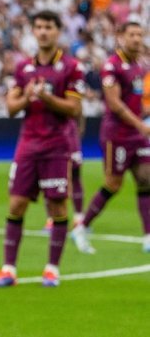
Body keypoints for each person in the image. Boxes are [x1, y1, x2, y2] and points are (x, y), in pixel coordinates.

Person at [0, 11, 84, 288]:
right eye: (39, 27)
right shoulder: (23, 69)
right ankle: (8, 270)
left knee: (56, 206)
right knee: (16, 204)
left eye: (48, 27)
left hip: (57, 146)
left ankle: (52, 269)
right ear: (33, 31)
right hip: (28, 145)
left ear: (58, 31)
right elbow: (10, 108)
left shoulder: (71, 67)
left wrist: (46, 97)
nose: (43, 32)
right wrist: (28, 96)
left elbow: (74, 108)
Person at [72, 21, 150, 254]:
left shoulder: (141, 65)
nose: (136, 39)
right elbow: (114, 104)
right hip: (117, 135)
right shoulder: (112, 66)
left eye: (139, 34)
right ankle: (81, 227)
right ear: (121, 37)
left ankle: (148, 235)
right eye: (132, 34)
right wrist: (141, 125)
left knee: (146, 178)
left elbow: (139, 99)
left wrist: (143, 117)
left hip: (138, 133)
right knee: (113, 184)